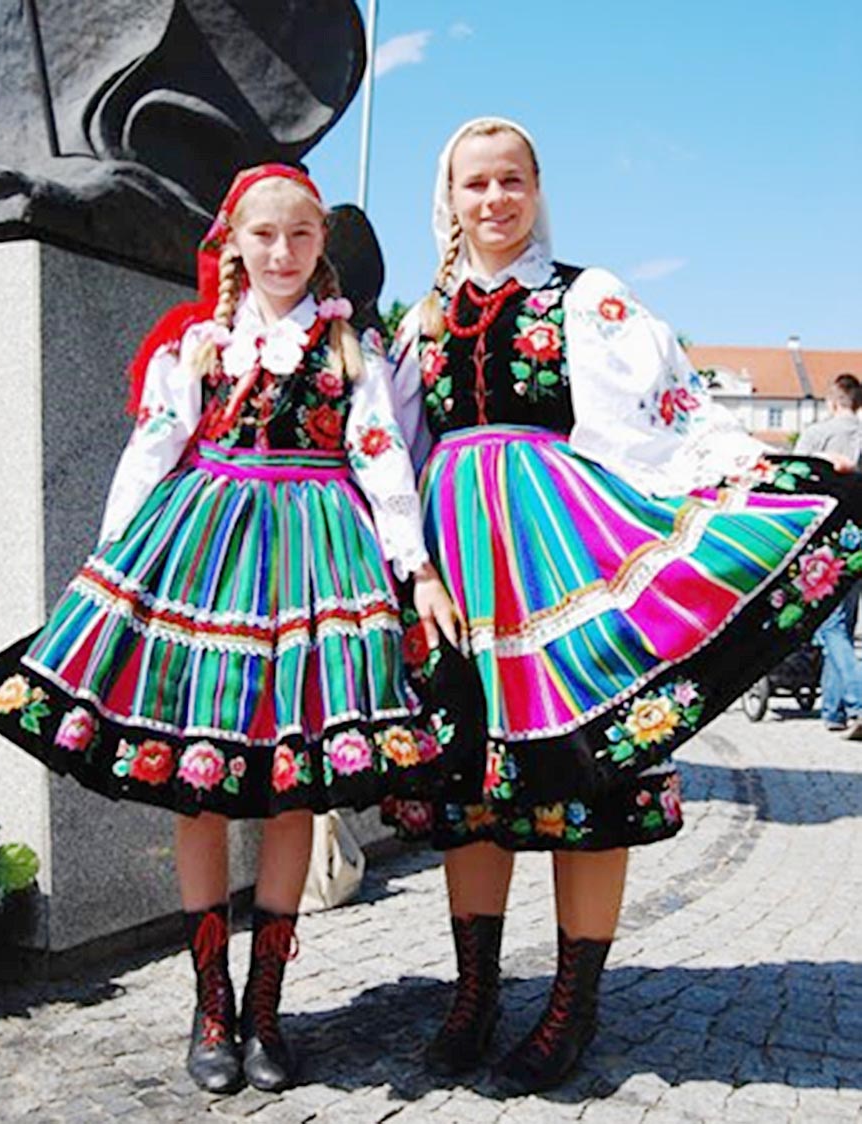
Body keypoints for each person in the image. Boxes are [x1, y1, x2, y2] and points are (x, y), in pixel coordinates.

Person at [385, 117, 862, 1094]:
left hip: (561, 550)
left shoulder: (583, 296)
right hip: (457, 569)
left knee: (588, 772)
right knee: (470, 785)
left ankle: (572, 1003)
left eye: (511, 179)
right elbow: (391, 450)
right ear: (450, 197)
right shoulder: (421, 321)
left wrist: (764, 473)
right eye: (476, 182)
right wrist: (405, 568)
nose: (494, 198)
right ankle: (474, 995)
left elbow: (670, 417)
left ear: (536, 188)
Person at [0, 164, 457, 1095]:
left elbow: (381, 460)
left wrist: (415, 566)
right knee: (196, 783)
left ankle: (266, 1008)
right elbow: (152, 448)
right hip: (206, 558)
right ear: (234, 242)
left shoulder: (349, 350)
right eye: (265, 234)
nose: (283, 251)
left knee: (294, 789)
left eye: (301, 235)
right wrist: (109, 561)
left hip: (319, 562)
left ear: (321, 246)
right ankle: (212, 1005)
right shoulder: (198, 345)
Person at [795, 373, 862, 735]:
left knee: (831, 627)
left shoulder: (816, 434)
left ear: (833, 403)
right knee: (843, 627)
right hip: (860, 538)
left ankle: (858, 701)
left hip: (826, 540)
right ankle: (834, 712)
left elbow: (793, 483)